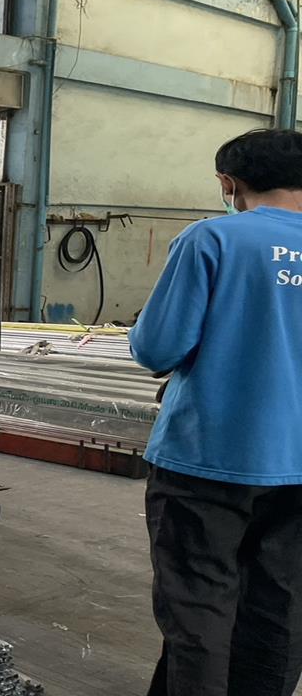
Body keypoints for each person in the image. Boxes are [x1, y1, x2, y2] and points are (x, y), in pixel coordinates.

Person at [132, 128, 302, 696]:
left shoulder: (213, 238)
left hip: (209, 457)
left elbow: (158, 348)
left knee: (199, 609)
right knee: (279, 610)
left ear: (228, 183)